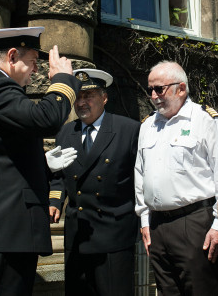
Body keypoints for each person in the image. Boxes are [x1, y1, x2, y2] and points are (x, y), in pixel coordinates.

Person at [0, 27, 81, 296]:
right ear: (12, 56)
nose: (35, 70)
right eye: (33, 62)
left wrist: (43, 165)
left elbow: (0, 158)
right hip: (3, 229)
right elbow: (45, 119)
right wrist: (62, 79)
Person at [134, 61, 218, 295]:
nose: (154, 96)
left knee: (201, 290)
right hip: (158, 225)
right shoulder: (148, 125)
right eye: (150, 90)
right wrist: (145, 221)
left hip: (195, 221)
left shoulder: (205, 120)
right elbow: (140, 174)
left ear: (181, 89)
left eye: (160, 89)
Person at [49, 68, 140, 296]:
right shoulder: (65, 132)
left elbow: (141, 178)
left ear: (104, 98)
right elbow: (59, 175)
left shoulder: (128, 130)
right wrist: (54, 201)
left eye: (88, 96)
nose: (81, 102)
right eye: (78, 96)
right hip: (78, 232)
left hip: (113, 232)